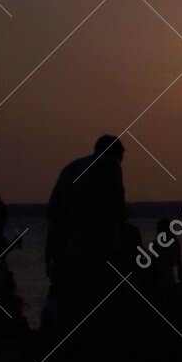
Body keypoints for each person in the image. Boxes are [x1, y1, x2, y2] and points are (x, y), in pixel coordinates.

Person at [45, 134, 127, 325]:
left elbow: (53, 213)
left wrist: (50, 253)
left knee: (68, 311)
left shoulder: (70, 168)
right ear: (115, 154)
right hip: (95, 252)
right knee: (97, 311)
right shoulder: (110, 166)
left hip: (67, 252)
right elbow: (118, 210)